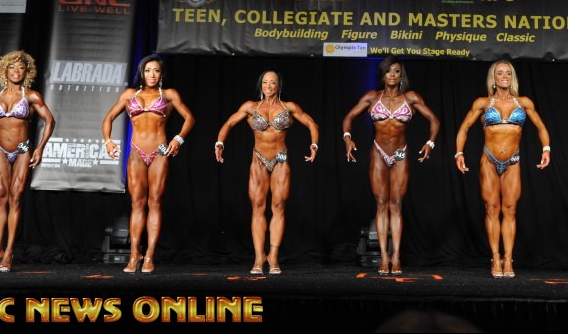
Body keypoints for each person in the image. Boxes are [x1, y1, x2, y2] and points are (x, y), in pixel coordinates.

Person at [342, 57, 441, 275]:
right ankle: (383, 257)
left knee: (396, 204)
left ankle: (396, 257)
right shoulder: (372, 97)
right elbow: (348, 117)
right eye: (388, 71)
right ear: (383, 75)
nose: (392, 75)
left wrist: (430, 143)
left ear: (401, 75)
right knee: (381, 203)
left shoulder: (410, 98)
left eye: (396, 71)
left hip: (400, 153)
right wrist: (347, 138)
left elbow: (434, 120)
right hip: (378, 152)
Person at [215, 70, 319, 275]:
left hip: (281, 159)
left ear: (279, 86)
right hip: (258, 160)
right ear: (260, 85)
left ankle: (273, 257)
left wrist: (314, 145)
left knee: (278, 207)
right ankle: (258, 258)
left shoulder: (289, 107)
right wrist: (219, 143)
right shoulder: (250, 107)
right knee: (257, 208)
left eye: (273, 83)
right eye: (265, 82)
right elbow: (229, 123)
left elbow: (311, 123)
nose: (268, 86)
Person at [454, 59, 550, 278]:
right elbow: (464, 127)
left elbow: (541, 126)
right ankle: (495, 258)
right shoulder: (483, 103)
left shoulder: (524, 102)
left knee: (510, 210)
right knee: (491, 208)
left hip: (513, 161)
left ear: (512, 77)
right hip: (489, 160)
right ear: (493, 78)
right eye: (500, 73)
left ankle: (508, 259)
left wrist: (546, 149)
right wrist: (459, 153)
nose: (504, 76)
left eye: (508, 73)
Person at [102, 55, 194, 274]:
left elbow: (189, 118)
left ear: (161, 74)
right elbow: (108, 118)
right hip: (136, 153)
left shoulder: (169, 95)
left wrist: (178, 139)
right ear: (142, 73)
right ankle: (134, 255)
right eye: (148, 70)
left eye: (156, 71)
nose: (152, 75)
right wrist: (108, 141)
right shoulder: (129, 95)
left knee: (155, 202)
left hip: (159, 153)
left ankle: (150, 255)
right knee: (137, 203)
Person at [0, 50, 55, 273]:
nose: (16, 71)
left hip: (23, 150)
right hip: (1, 150)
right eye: (12, 67)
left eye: (21, 67)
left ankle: (8, 253)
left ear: (27, 72)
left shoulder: (32, 96)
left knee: (15, 198)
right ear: (4, 70)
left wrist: (40, 148)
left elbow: (49, 121)